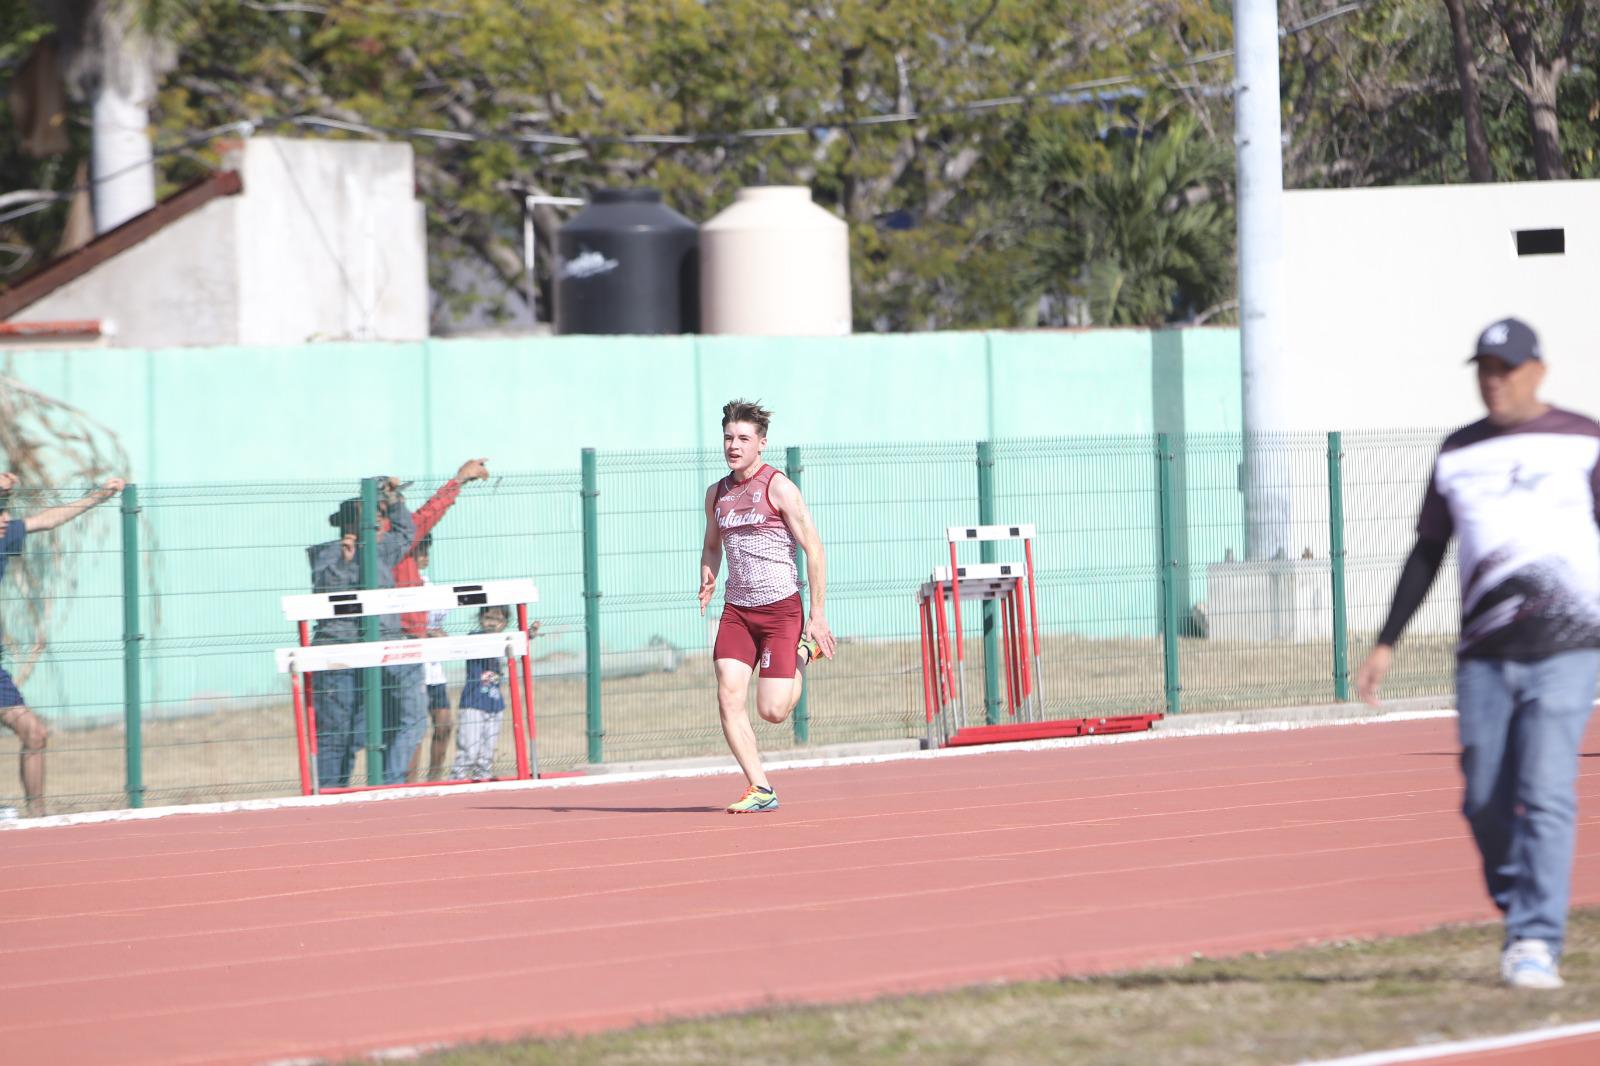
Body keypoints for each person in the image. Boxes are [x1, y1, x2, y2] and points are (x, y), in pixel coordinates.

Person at [1357, 317, 1600, 990]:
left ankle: (1534, 939)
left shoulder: (1584, 442)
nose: (1494, 382)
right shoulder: (1458, 453)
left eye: (1507, 370)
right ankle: (1521, 902)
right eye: (1484, 370)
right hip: (1484, 656)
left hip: (1568, 647)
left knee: (1547, 791)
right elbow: (1428, 550)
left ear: (1538, 372)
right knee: (1484, 799)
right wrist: (1386, 641)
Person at [698, 399, 834, 814]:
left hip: (780, 611)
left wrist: (817, 615)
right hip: (737, 611)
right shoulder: (716, 494)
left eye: (743, 438)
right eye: (728, 438)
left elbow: (813, 549)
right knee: (728, 695)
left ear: (761, 443)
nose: (733, 446)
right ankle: (760, 787)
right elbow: (711, 545)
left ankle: (802, 653)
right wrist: (708, 575)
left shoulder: (779, 487)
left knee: (773, 710)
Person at [0, 473, 126, 816]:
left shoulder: (7, 534)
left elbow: (49, 519)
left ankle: (37, 821)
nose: (5, 517)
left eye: (4, 508)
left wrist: (97, 497)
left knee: (34, 733)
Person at [306, 477, 415, 788]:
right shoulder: (327, 553)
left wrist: (395, 500)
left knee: (363, 733)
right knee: (336, 736)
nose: (379, 520)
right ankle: (329, 792)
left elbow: (407, 534)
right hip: (339, 654)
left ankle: (365, 793)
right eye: (374, 515)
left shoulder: (380, 552)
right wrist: (345, 561)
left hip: (375, 654)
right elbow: (325, 589)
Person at [391, 458, 491, 780]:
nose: (404, 505)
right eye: (396, 499)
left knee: (438, 723)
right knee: (412, 726)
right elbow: (429, 513)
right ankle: (407, 787)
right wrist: (458, 479)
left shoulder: (414, 567)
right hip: (404, 647)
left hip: (424, 653)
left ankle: (432, 782)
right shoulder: (392, 541)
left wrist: (433, 632)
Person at [406, 534, 456, 783]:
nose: (424, 557)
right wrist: (423, 632)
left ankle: (435, 779)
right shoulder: (402, 589)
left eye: (426, 552)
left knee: (444, 723)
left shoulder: (432, 588)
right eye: (419, 552)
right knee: (415, 730)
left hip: (434, 670)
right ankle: (410, 784)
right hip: (412, 670)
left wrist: (439, 634)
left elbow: (438, 625)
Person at [451, 605, 510, 781]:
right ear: (480, 619)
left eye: (497, 620)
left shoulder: (505, 642)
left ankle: (482, 781)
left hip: (494, 705)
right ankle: (457, 779)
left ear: (505, 623)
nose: (492, 624)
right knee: (469, 750)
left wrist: (529, 635)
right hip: (473, 704)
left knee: (486, 754)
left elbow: (520, 644)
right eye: (488, 618)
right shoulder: (475, 639)